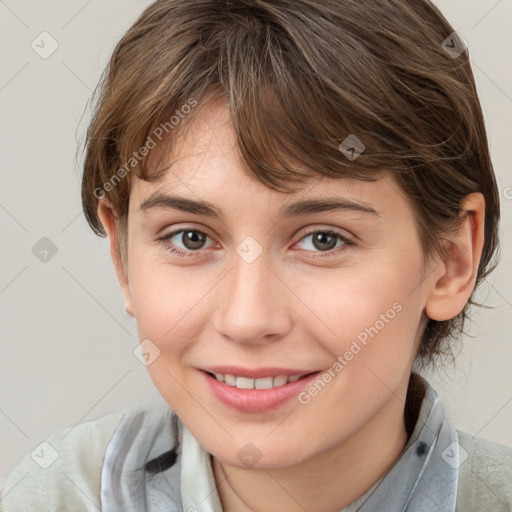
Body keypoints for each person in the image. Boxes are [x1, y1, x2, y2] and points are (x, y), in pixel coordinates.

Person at [2, 0, 511, 510]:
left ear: (450, 259)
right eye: (191, 238)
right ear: (122, 256)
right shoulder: (56, 495)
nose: (247, 320)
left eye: (323, 240)